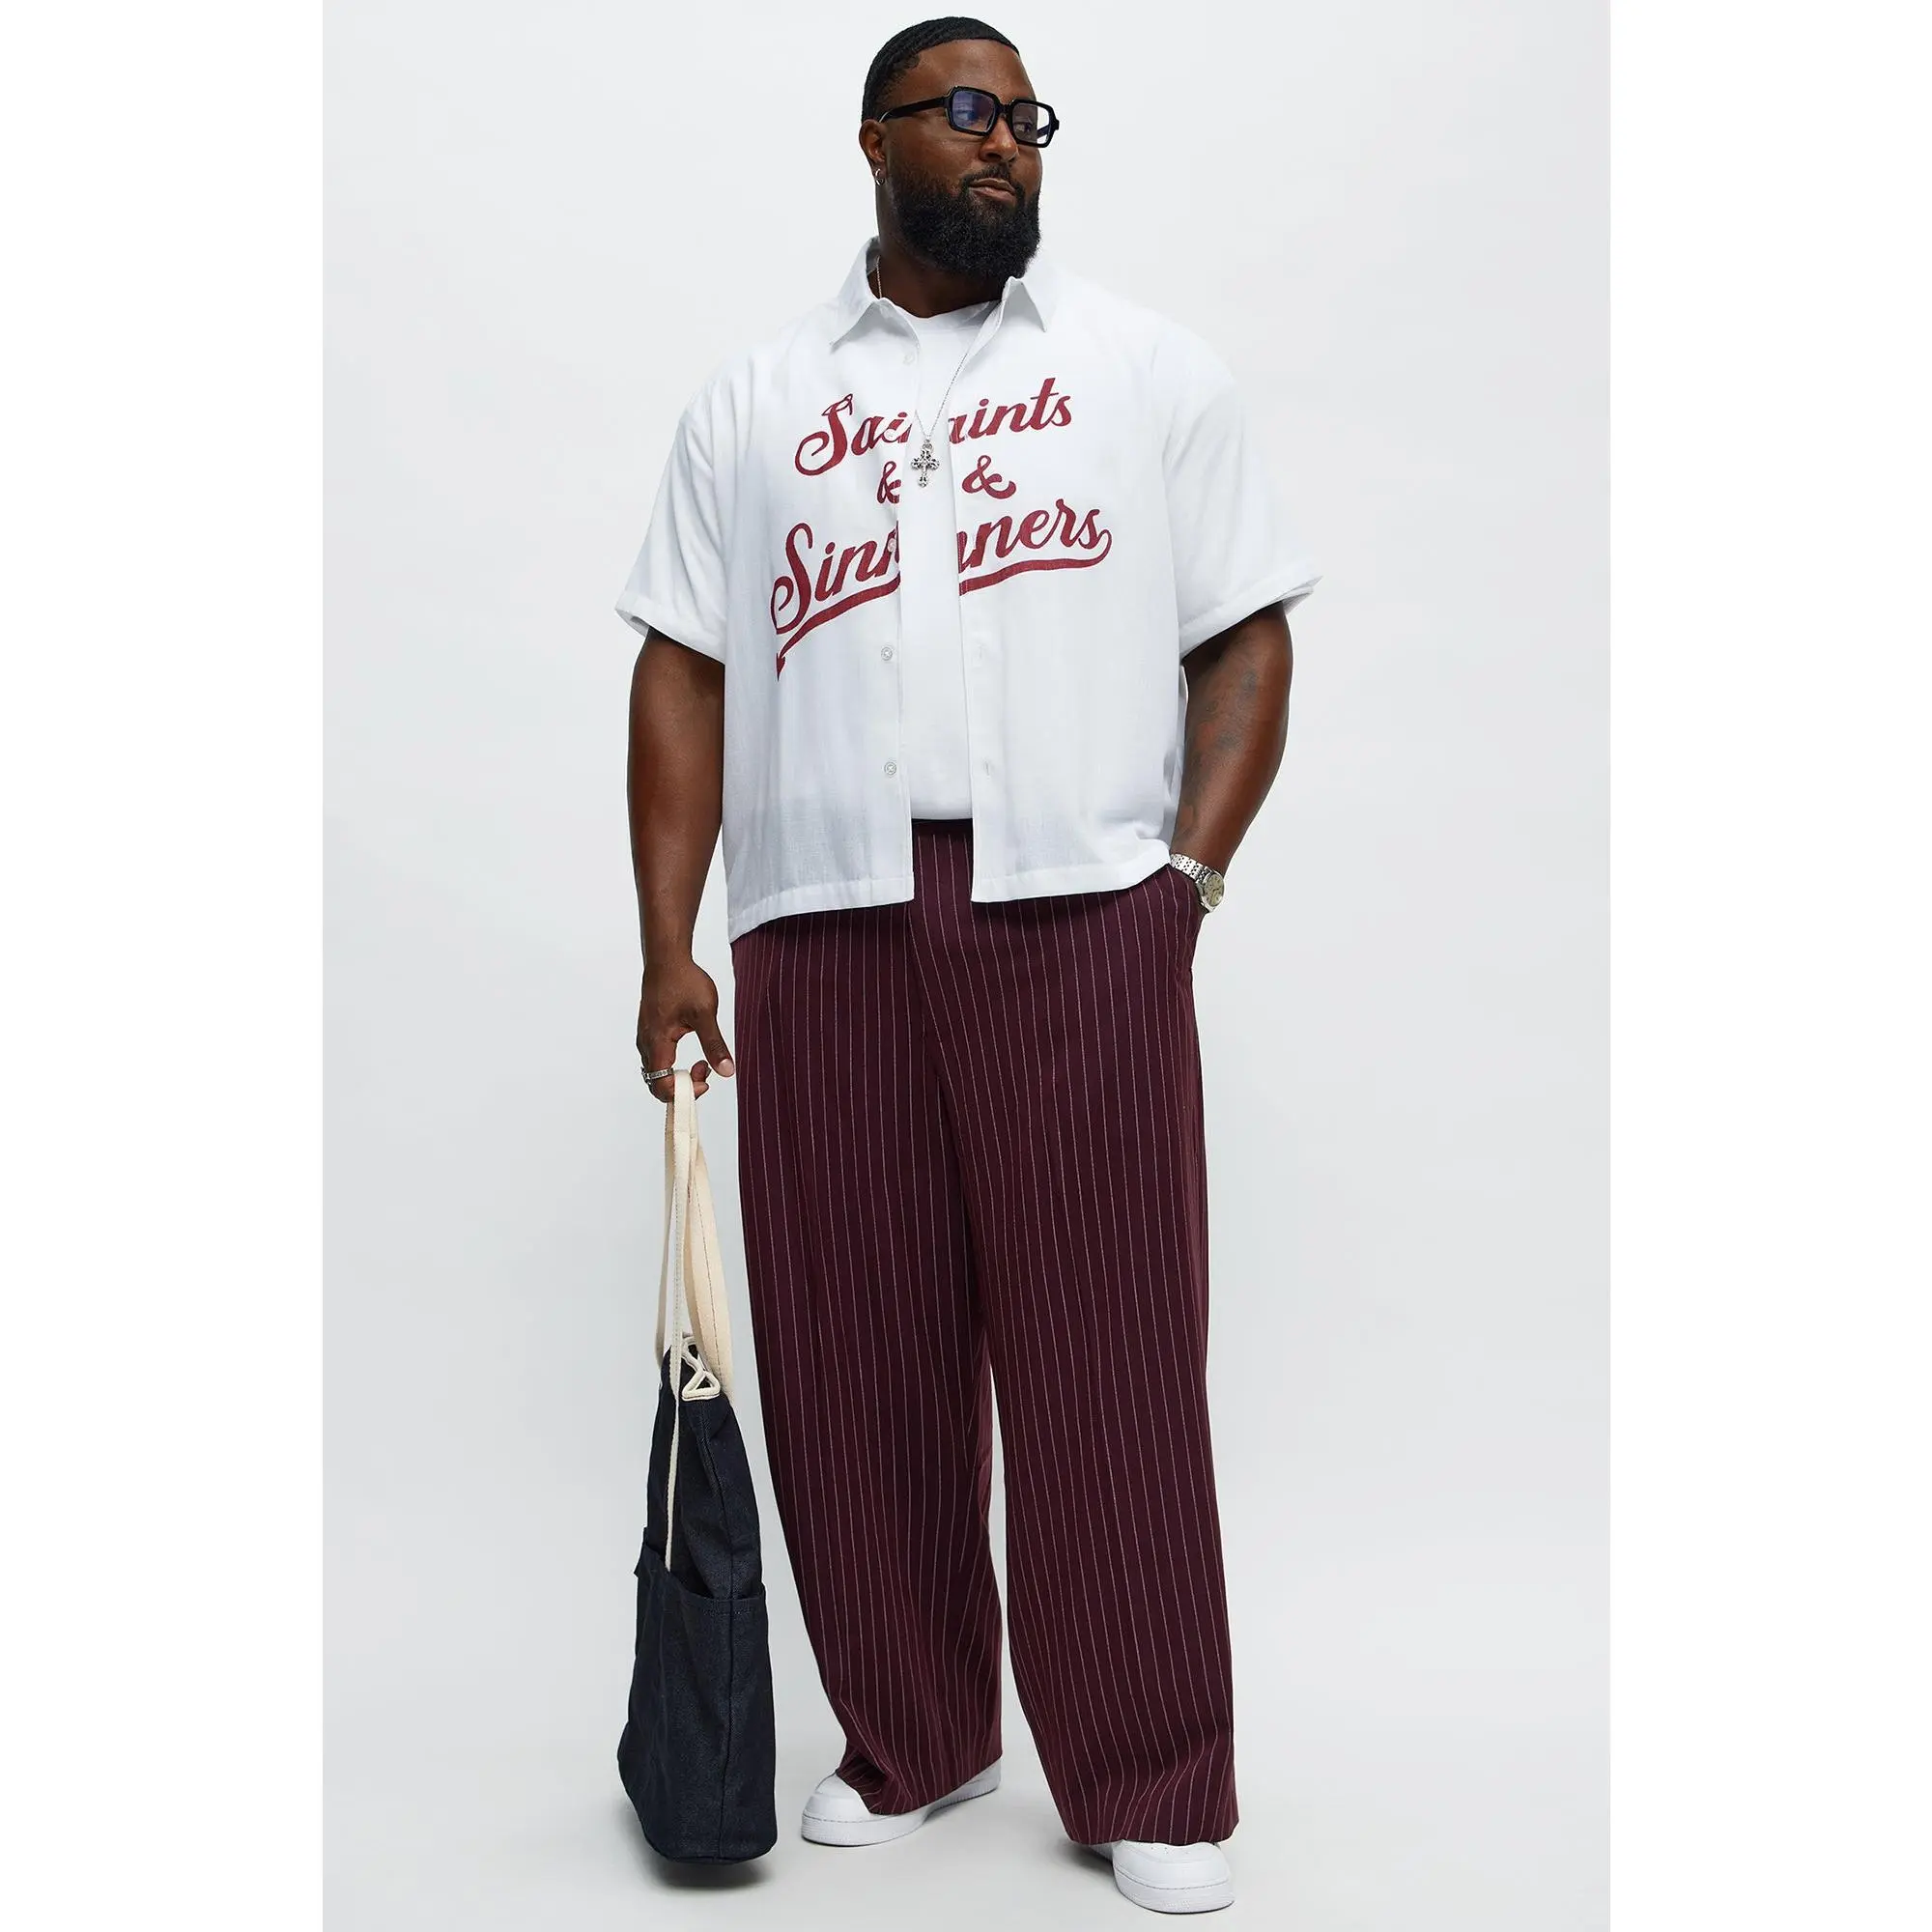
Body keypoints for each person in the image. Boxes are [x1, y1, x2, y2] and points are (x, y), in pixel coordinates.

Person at [616, 14, 1318, 1915]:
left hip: (1080, 911)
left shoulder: (1144, 371)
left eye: (1027, 118)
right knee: (854, 1352)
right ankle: (915, 1735)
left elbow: (1244, 635)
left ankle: (1148, 1769)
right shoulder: (755, 401)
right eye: (966, 112)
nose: (1006, 143)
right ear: (875, 142)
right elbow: (681, 667)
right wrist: (671, 944)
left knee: (1109, 1351)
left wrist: (1184, 880)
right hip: (821, 919)